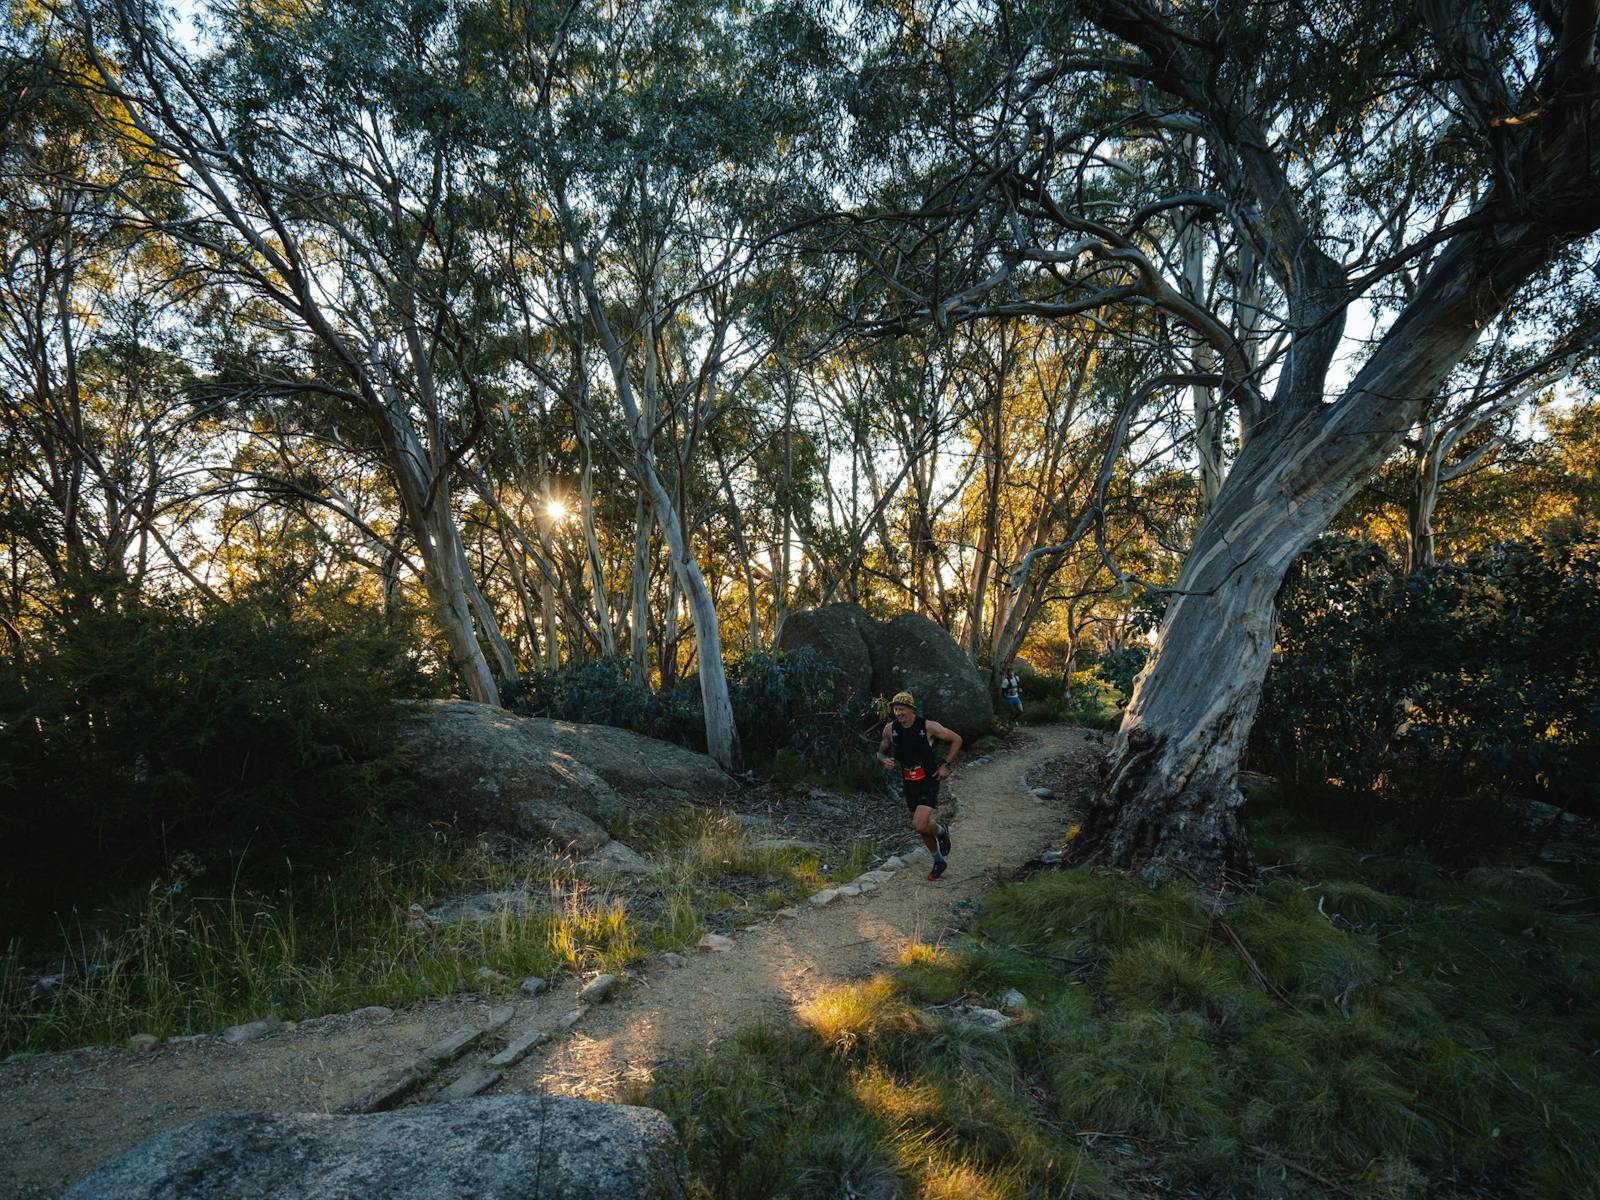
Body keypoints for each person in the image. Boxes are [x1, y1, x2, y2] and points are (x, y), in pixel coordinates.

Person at [878, 691, 962, 880]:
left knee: (919, 823)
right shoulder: (890, 729)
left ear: (911, 709)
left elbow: (957, 739)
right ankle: (938, 860)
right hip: (909, 781)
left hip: (928, 779)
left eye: (902, 709)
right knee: (921, 828)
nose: (898, 713)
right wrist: (884, 759)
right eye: (895, 709)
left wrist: (946, 765)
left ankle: (941, 830)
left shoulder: (928, 726)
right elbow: (881, 752)